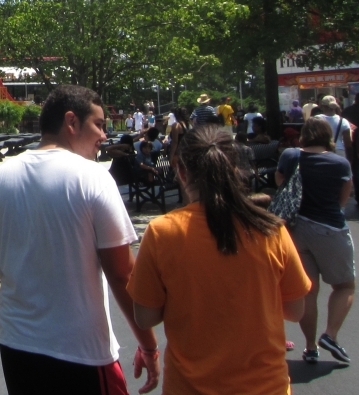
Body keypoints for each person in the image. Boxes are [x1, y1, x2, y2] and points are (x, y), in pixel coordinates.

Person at [0, 85, 160, 394]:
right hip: (83, 353)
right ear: (71, 122)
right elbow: (122, 274)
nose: (104, 136)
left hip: (18, 351)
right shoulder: (93, 178)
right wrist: (148, 345)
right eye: (99, 124)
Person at [127, 125, 310, 394]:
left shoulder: (162, 232)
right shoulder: (270, 229)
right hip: (266, 386)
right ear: (235, 169)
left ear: (181, 172)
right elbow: (295, 310)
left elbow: (145, 316)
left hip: (189, 387)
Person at [276, 118, 355, 366]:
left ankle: (310, 347)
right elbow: (344, 196)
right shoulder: (340, 163)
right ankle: (330, 335)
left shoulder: (290, 156)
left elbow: (280, 182)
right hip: (330, 227)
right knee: (344, 285)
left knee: (308, 291)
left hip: (296, 228)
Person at [318, 94, 359, 206]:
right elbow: (348, 143)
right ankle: (339, 204)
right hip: (339, 152)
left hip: (321, 151)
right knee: (339, 180)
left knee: (323, 179)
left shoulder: (317, 120)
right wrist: (349, 159)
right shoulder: (343, 121)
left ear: (323, 106)